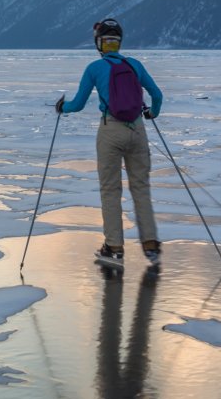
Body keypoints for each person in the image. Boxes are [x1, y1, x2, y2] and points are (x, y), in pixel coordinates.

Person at [56, 18, 163, 267]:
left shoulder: (94, 68)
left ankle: (114, 247)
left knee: (110, 190)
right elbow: (157, 95)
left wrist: (63, 108)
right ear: (118, 43)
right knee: (141, 187)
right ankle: (150, 245)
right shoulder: (134, 65)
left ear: (99, 44)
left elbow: (79, 104)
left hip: (110, 129)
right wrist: (152, 113)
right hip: (137, 129)